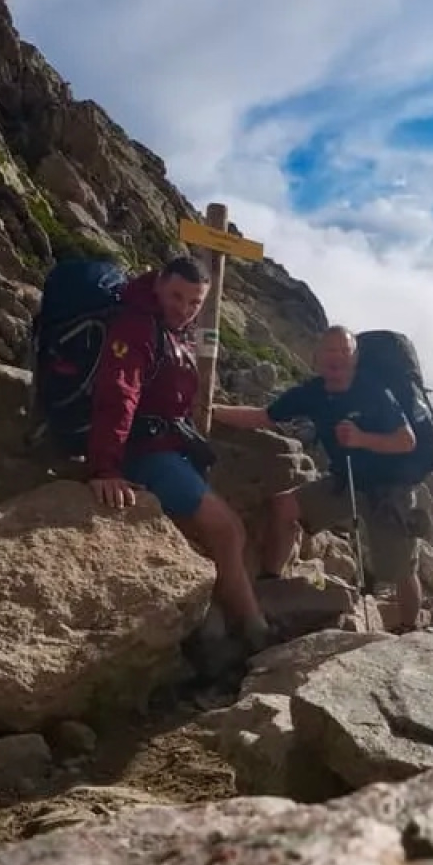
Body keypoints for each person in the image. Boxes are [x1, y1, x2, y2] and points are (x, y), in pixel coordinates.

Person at [85, 256, 274, 653]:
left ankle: (214, 629)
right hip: (145, 451)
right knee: (227, 529)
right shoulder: (137, 325)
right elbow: (119, 395)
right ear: (159, 285)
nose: (184, 309)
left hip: (167, 445)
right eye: (177, 297)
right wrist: (106, 468)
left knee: (216, 534)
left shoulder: (171, 329)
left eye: (194, 303)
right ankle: (257, 635)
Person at [209, 326, 432, 632]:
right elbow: (263, 416)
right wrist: (211, 410)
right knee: (284, 507)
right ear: (317, 357)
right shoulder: (312, 393)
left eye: (344, 352)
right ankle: (271, 584)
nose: (337, 359)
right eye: (330, 351)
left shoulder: (375, 390)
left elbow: (406, 441)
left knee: (401, 567)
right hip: (346, 481)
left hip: (389, 488)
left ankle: (410, 632)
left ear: (355, 359)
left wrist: (362, 439)